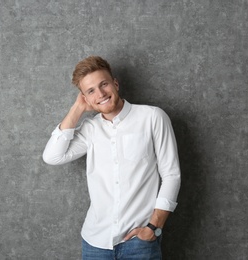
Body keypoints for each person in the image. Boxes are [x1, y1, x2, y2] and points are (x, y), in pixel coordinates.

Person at [42, 56, 181, 259]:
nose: (100, 94)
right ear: (85, 97)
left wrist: (154, 227)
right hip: (95, 243)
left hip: (139, 242)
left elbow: (171, 175)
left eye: (104, 84)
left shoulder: (152, 117)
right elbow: (52, 156)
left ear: (115, 83)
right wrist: (77, 108)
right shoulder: (90, 129)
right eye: (91, 91)